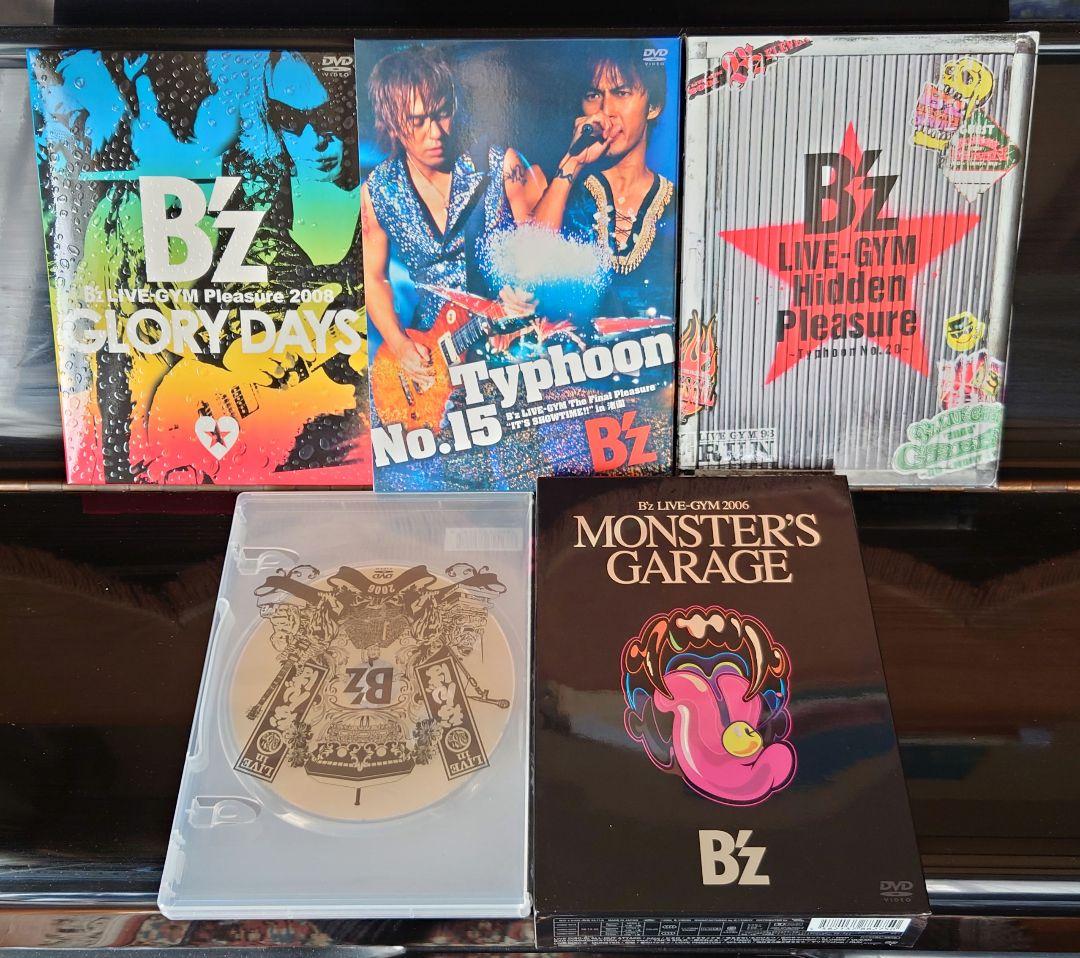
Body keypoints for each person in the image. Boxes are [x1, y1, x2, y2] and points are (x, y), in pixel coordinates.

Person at [361, 45, 545, 390]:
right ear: (392, 124)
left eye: (442, 114)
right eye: (417, 121)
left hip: (509, 349)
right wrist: (400, 344)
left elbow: (545, 249)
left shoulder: (501, 166)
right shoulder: (378, 191)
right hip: (435, 357)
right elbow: (373, 277)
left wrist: (527, 293)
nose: (436, 133)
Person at [531, 41, 676, 320]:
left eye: (622, 93)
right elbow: (529, 273)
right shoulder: (569, 196)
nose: (606, 109)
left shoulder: (676, 206)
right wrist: (573, 161)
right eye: (593, 95)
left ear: (654, 106)